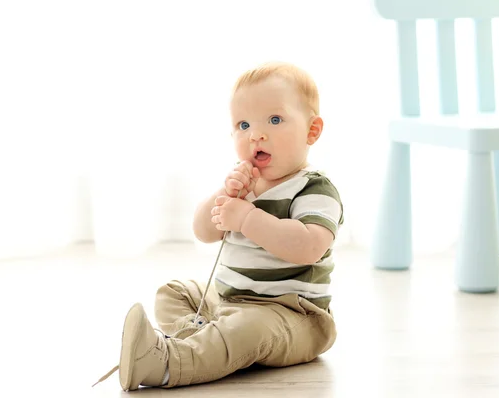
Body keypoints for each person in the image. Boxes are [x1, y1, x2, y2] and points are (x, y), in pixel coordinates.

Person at [93, 62, 343, 391]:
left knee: (249, 329)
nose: (256, 134)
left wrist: (247, 218)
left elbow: (309, 246)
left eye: (275, 119)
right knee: (174, 293)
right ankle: (207, 343)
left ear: (311, 131)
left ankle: (167, 364)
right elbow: (203, 231)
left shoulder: (314, 189)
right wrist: (225, 195)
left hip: (292, 315)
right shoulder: (244, 186)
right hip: (229, 300)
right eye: (243, 124)